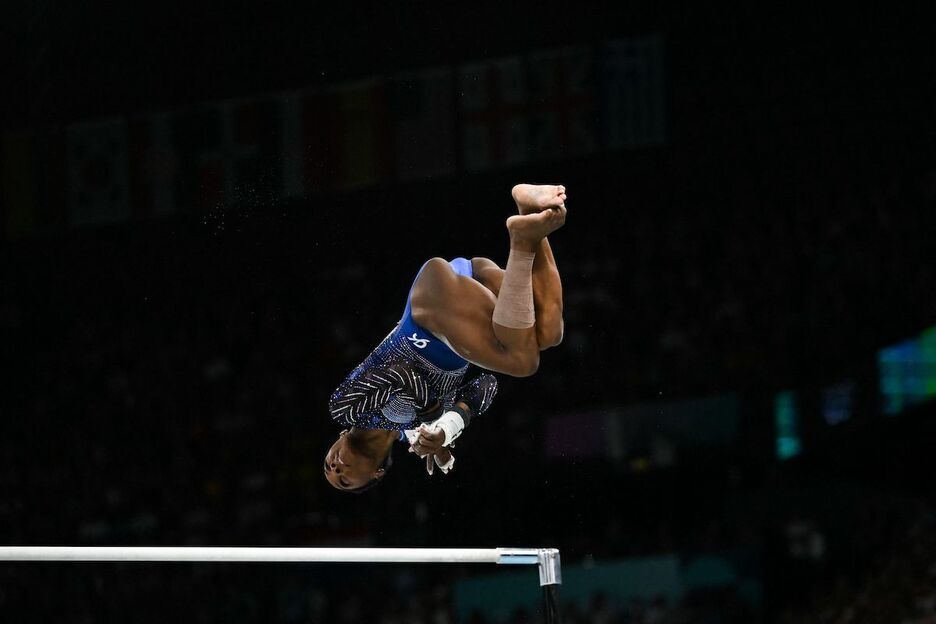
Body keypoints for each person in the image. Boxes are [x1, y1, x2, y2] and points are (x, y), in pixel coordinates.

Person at [324, 184, 567, 492]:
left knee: (523, 361)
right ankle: (532, 210)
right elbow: (485, 386)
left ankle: (521, 237)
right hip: (463, 292)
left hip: (429, 309)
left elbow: (401, 373)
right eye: (342, 480)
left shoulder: (347, 408)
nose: (335, 467)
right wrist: (446, 431)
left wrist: (435, 417)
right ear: (377, 474)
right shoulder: (417, 433)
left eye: (327, 466)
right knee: (548, 333)